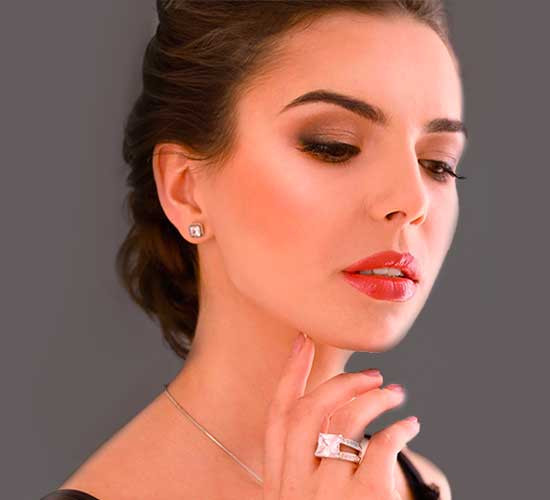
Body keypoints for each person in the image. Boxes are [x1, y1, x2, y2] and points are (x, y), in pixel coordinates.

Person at [41, 0, 468, 498]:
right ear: (185, 189)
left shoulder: (413, 482)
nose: (412, 201)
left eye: (437, 164)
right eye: (333, 146)